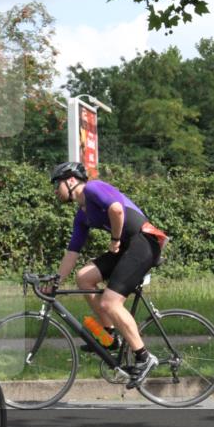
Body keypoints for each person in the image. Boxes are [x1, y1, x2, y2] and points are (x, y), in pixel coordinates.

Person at [47, 162, 169, 388]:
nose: (55, 190)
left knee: (110, 303)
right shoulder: (81, 216)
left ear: (71, 180)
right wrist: (55, 281)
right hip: (127, 247)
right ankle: (110, 337)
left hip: (143, 243)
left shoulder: (93, 188)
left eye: (57, 184)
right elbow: (72, 252)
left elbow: (116, 209)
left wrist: (114, 239)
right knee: (84, 277)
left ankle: (144, 357)